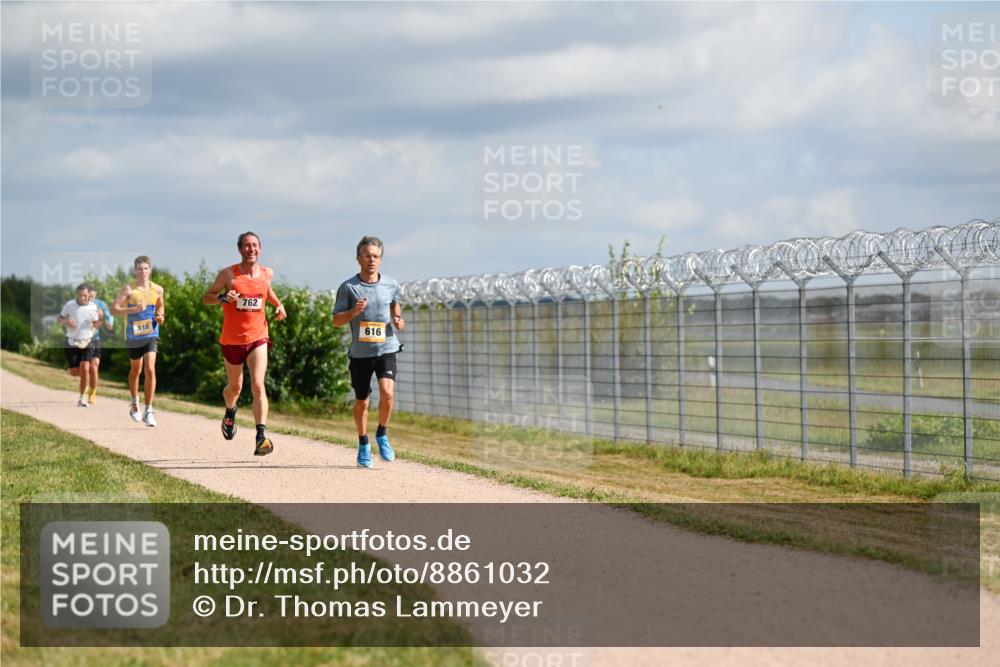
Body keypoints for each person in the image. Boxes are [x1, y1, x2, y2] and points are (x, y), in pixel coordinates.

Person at [203, 231, 287, 456]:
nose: (252, 249)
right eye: (247, 246)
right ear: (240, 249)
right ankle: (230, 411)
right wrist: (221, 298)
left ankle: (261, 437)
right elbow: (207, 297)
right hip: (232, 340)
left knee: (258, 384)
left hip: (258, 337)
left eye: (255, 245)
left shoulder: (266, 273)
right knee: (235, 388)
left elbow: (266, 292)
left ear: (260, 249)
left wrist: (279, 305)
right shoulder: (229, 274)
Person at [332, 236, 406, 469]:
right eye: (367, 255)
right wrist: (354, 311)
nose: (371, 260)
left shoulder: (391, 284)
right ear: (359, 259)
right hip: (361, 354)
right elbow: (336, 320)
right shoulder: (349, 287)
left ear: (380, 259)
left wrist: (397, 318)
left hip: (386, 347)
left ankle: (382, 434)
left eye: (375, 256)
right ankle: (363, 443)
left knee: (387, 393)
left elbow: (394, 303)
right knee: (362, 401)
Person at [112, 255, 165, 427]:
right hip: (133, 335)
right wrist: (134, 308)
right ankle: (134, 403)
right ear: (135, 270)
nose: (143, 272)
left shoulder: (158, 290)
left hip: (151, 333)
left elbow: (160, 306)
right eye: (139, 269)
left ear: (150, 270)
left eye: (145, 268)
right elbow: (114, 310)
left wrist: (161, 316)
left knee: (150, 368)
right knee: (136, 370)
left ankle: (149, 410)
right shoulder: (128, 289)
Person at [58, 283, 103, 407]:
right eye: (80, 295)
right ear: (76, 295)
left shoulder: (93, 307)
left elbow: (96, 324)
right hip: (72, 341)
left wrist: (97, 322)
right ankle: (83, 377)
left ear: (89, 296)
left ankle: (82, 397)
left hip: (88, 341)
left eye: (85, 296)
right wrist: (67, 321)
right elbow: (59, 319)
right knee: (74, 371)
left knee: (86, 368)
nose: (83, 298)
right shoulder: (69, 305)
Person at [86, 284, 115, 404]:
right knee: (84, 368)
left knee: (94, 366)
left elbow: (109, 316)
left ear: (95, 295)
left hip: (94, 339)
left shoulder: (100, 304)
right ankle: (84, 387)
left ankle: (92, 392)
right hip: (81, 339)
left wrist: (108, 322)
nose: (90, 300)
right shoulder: (79, 304)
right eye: (88, 297)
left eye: (92, 297)